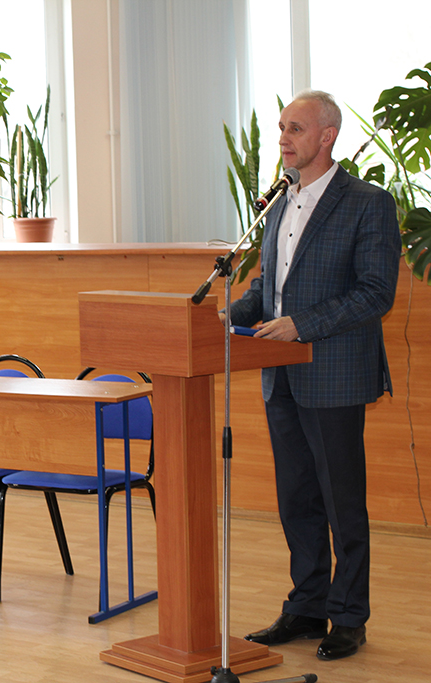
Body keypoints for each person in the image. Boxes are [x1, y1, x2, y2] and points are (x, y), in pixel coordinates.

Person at [226, 90, 401, 661]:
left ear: (327, 136)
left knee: (341, 501)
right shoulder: (279, 201)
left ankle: (348, 616)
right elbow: (269, 287)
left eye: (295, 129)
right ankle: (307, 606)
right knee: (296, 498)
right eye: (281, 127)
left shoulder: (367, 203)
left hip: (334, 374)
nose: (283, 138)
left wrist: (302, 325)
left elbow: (375, 292)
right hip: (279, 375)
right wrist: (225, 317)